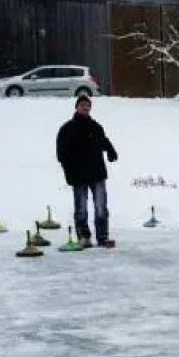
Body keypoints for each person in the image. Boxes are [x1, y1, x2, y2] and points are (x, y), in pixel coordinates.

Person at [56, 95, 119, 247]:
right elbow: (61, 153)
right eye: (82, 105)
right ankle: (83, 236)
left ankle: (102, 236)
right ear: (77, 107)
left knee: (101, 206)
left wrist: (111, 151)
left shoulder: (95, 127)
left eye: (88, 105)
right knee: (81, 208)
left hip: (97, 173)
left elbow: (103, 140)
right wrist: (68, 170)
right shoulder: (67, 128)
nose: (85, 107)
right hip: (78, 174)